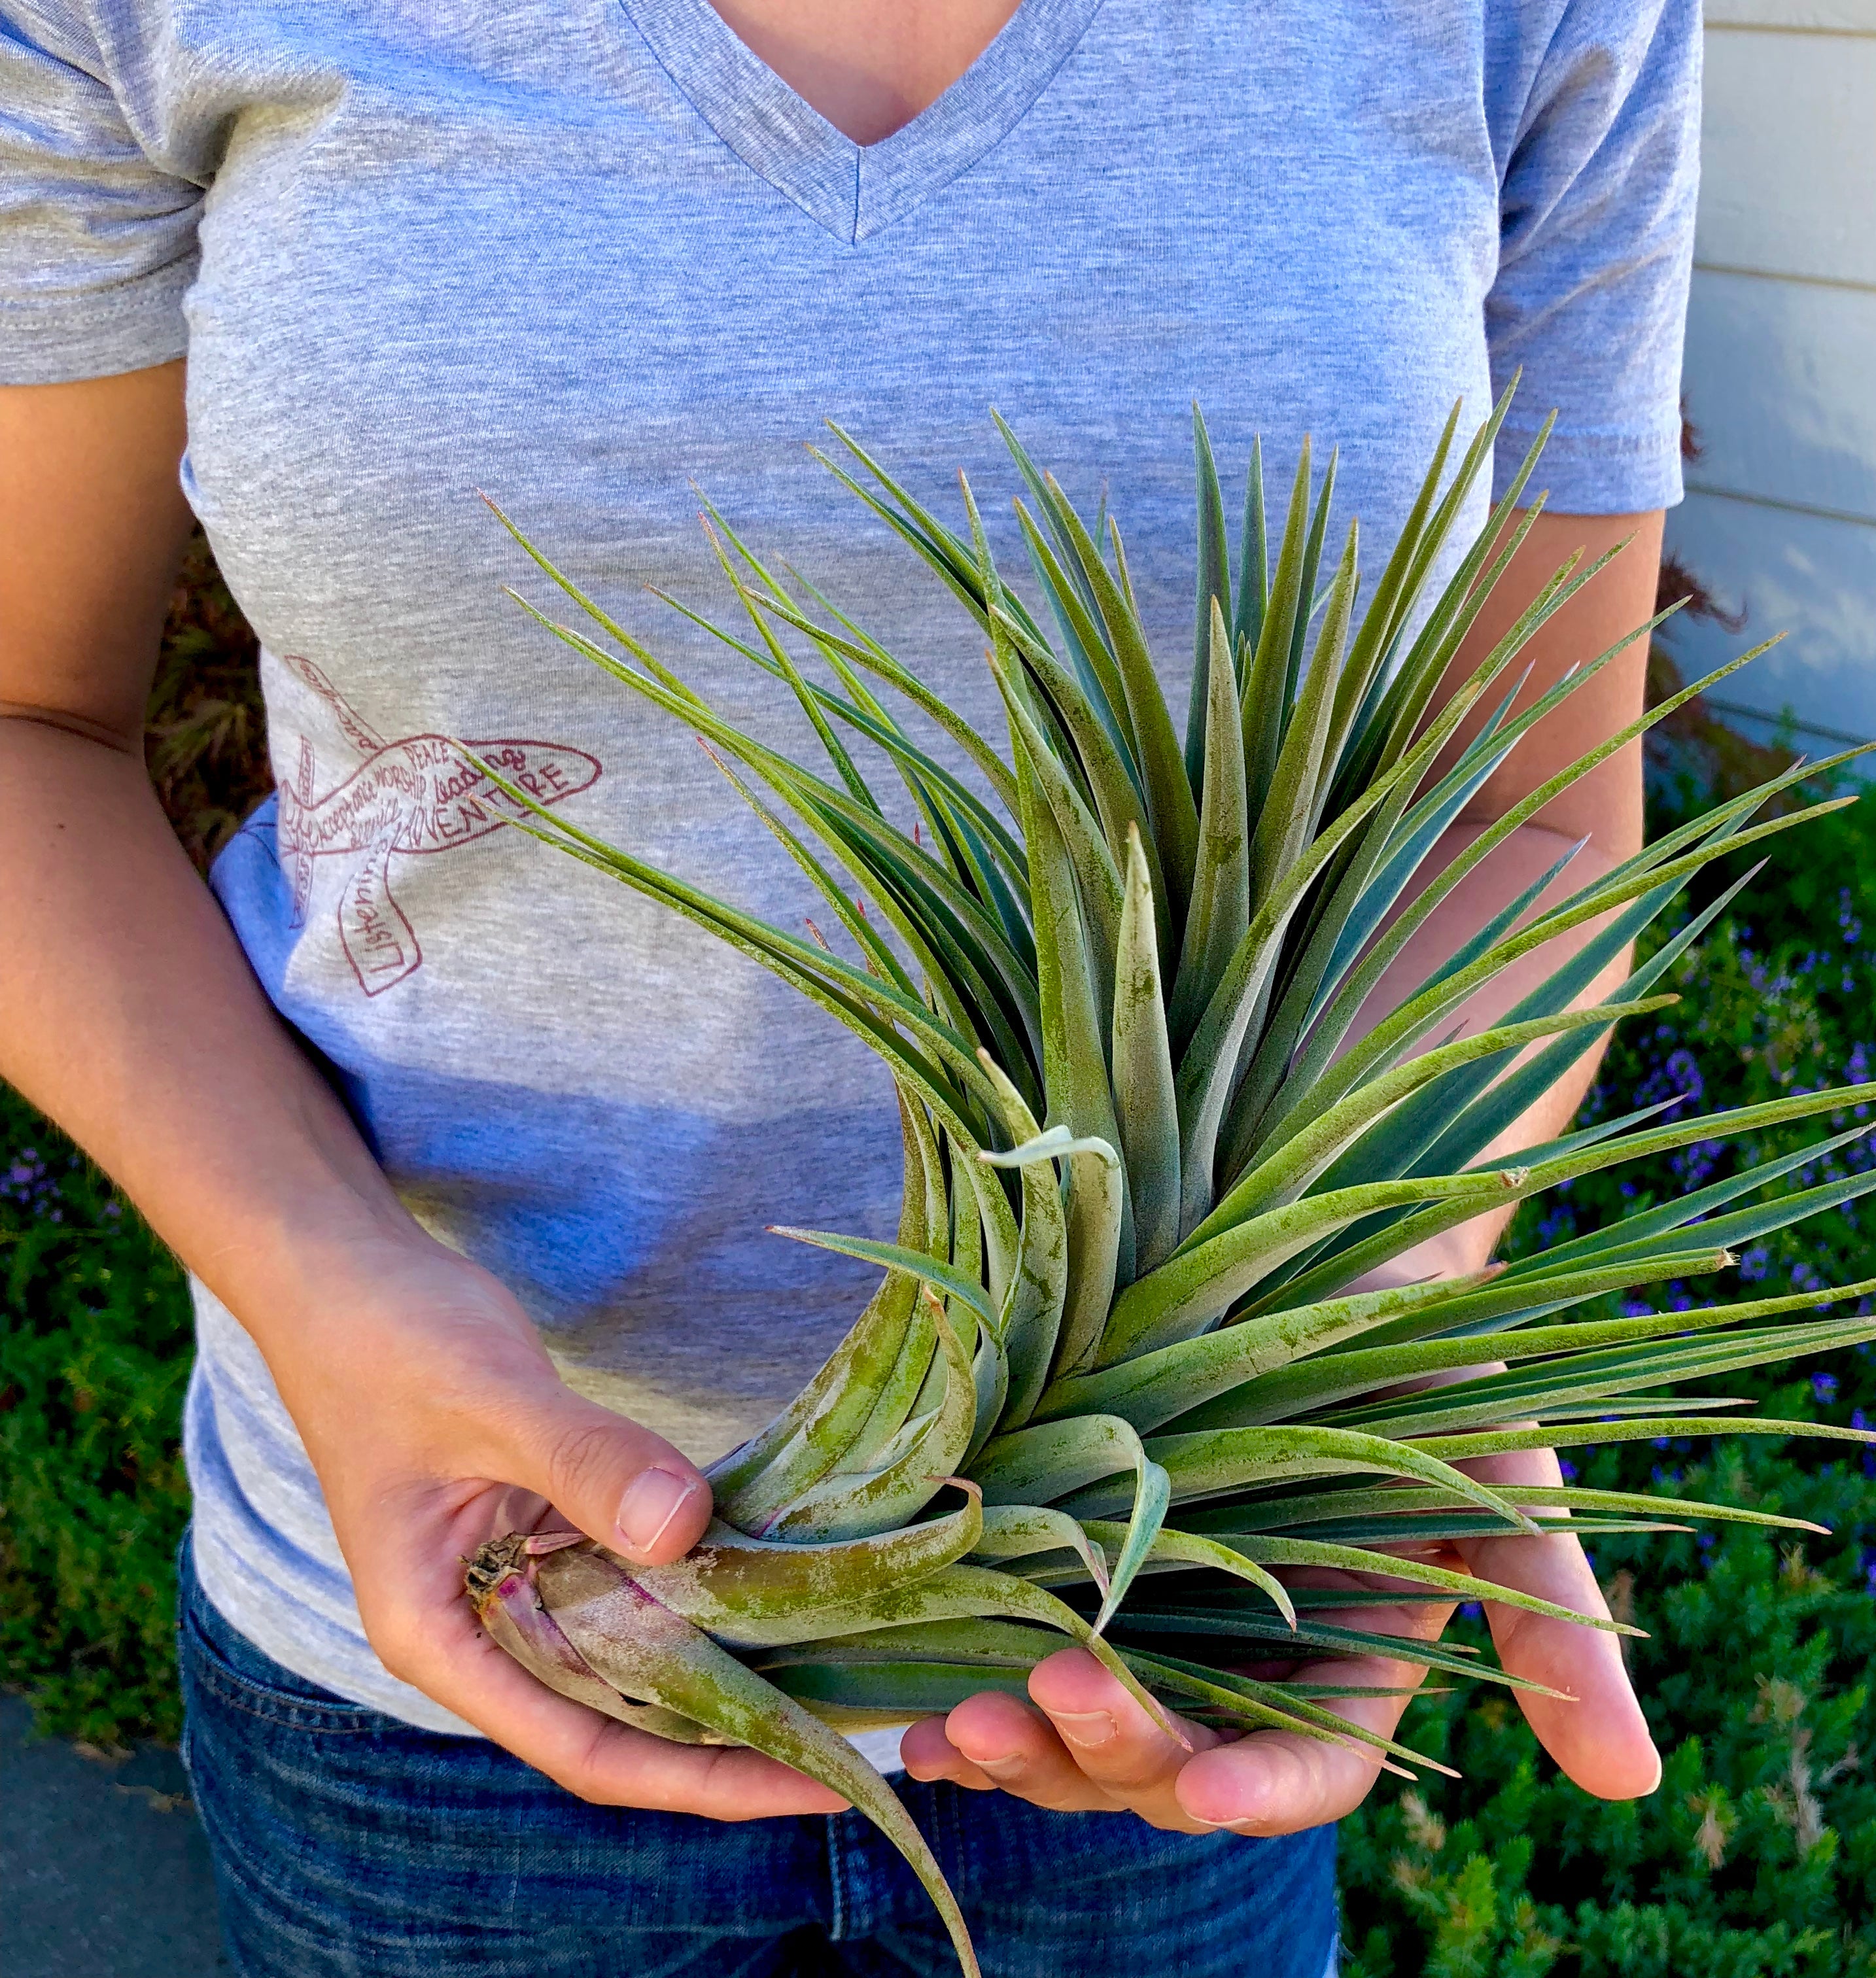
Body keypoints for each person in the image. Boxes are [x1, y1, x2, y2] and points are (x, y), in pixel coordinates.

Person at [0, 0, 1695, 1970]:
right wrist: (323, 1283)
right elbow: (29, 720)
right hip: (467, 1641)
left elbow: (1523, 806)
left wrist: (1365, 1313)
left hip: (1141, 1618)